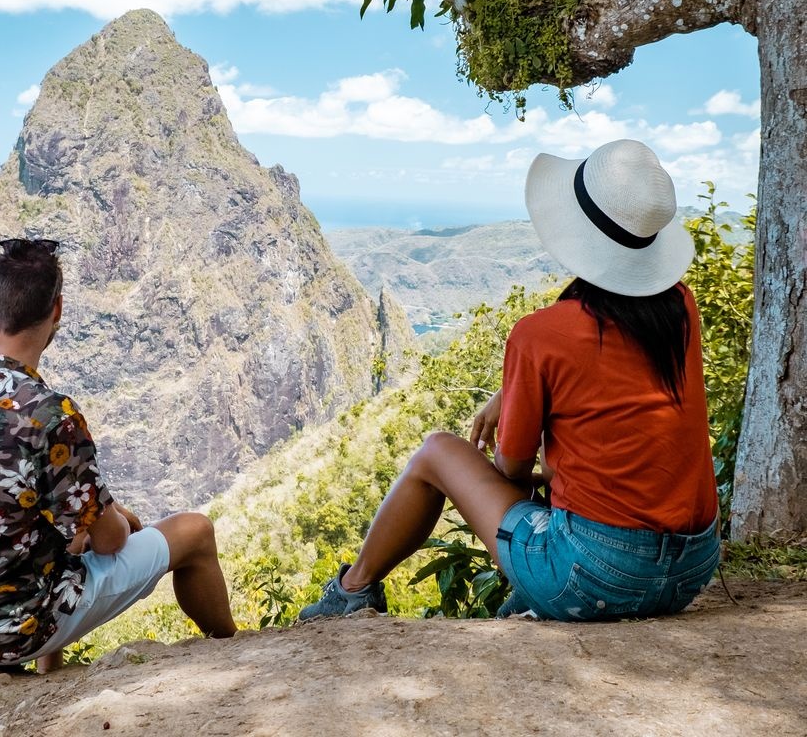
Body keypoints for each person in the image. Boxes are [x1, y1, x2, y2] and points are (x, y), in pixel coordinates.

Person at [298, 139, 720, 622]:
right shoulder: (679, 308)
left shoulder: (541, 334)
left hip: (602, 574)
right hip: (691, 567)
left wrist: (527, 422)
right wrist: (513, 390)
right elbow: (613, 380)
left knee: (437, 451)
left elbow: (512, 468)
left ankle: (353, 591)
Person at [0, 237, 236, 670]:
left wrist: (89, 515)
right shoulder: (50, 414)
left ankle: (51, 672)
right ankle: (234, 647)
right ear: (57, 311)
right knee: (194, 532)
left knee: (65, 527)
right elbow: (111, 540)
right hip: (11, 631)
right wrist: (110, 515)